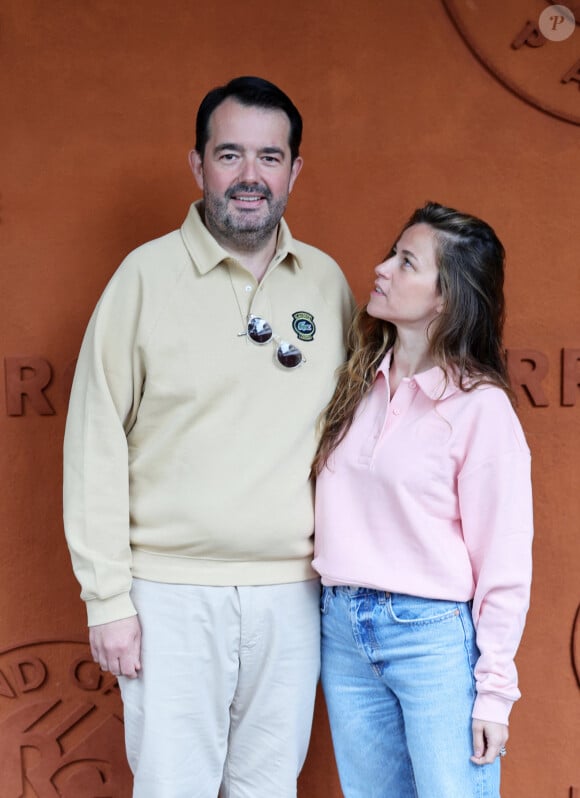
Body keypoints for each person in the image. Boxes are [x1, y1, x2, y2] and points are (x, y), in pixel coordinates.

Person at [63, 75, 354, 798]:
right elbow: (95, 440)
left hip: (293, 596)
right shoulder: (142, 278)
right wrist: (108, 600)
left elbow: (356, 441)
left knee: (267, 790)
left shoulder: (326, 284)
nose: (250, 176)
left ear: (294, 170)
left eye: (269, 156)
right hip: (166, 596)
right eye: (230, 155)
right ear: (198, 166)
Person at [311, 202, 533, 798]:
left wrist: (494, 693)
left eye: (406, 262)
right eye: (392, 254)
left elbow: (504, 566)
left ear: (446, 298)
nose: (381, 269)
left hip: (430, 636)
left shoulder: (479, 408)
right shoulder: (356, 382)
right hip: (342, 628)